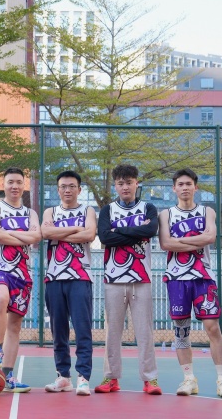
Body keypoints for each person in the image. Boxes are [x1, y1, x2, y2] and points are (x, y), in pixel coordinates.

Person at [158, 168, 222, 399]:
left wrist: (179, 241)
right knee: (181, 331)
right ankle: (189, 378)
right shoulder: (165, 214)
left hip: (203, 277)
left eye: (188, 184)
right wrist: (195, 241)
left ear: (195, 187)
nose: (184, 188)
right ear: (174, 188)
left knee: (213, 328)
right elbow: (165, 244)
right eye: (180, 184)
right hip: (177, 278)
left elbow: (210, 238)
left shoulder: (206, 211)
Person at [93, 165, 161, 396]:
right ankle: (111, 377)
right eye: (120, 183)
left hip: (141, 278)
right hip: (114, 278)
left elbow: (150, 231)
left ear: (136, 183)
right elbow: (105, 237)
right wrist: (136, 231)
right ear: (115, 185)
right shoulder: (107, 210)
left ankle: (150, 379)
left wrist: (119, 231)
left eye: (129, 182)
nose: (125, 187)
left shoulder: (148, 208)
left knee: (144, 331)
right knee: (112, 332)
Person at [0, 167, 41, 393]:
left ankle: (7, 376)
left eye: (18, 182)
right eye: (10, 182)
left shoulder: (31, 213)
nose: (14, 186)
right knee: (1, 298)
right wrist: (23, 235)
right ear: (4, 185)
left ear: (23, 185)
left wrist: (8, 234)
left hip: (22, 273)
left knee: (15, 326)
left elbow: (36, 237)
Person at [41, 171, 97, 396]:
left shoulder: (88, 210)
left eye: (72, 186)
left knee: (82, 329)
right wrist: (76, 229)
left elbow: (90, 235)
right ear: (58, 190)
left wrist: (59, 233)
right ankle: (63, 376)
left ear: (79, 189)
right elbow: (45, 232)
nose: (67, 190)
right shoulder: (50, 211)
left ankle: (83, 377)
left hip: (80, 276)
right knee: (58, 330)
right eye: (63, 186)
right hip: (54, 277)